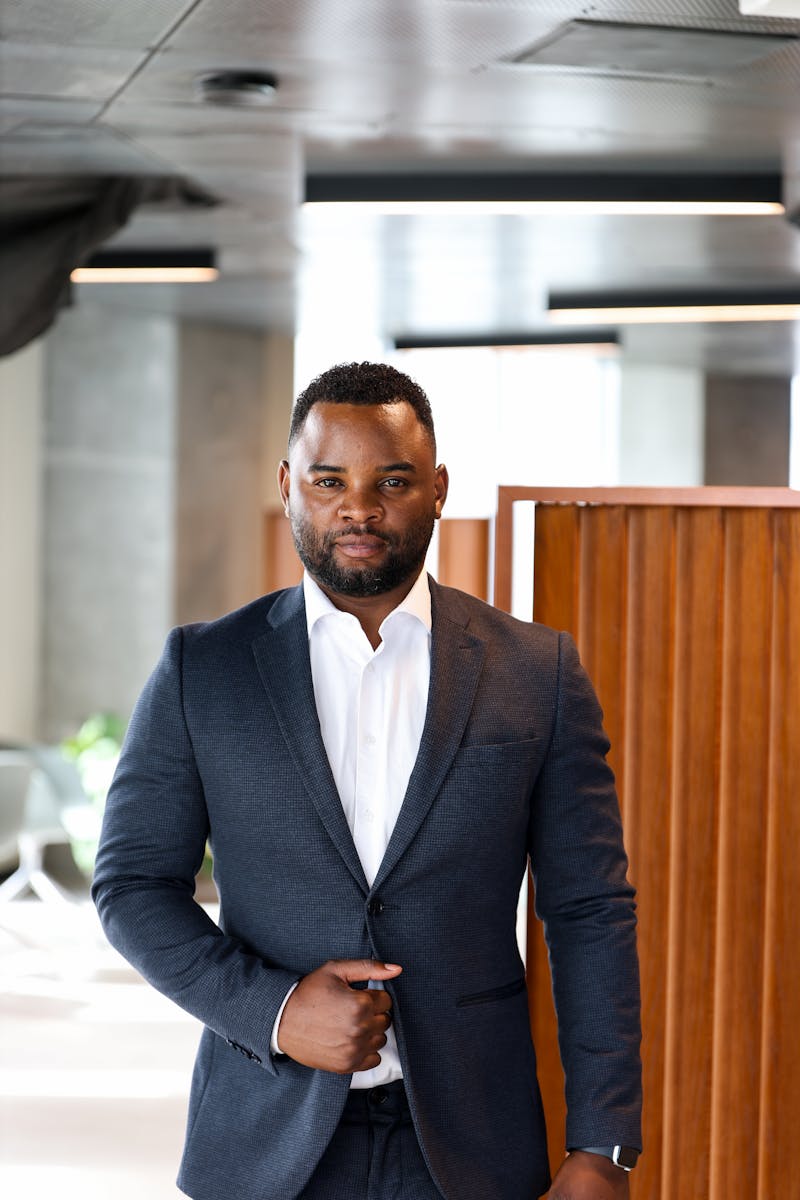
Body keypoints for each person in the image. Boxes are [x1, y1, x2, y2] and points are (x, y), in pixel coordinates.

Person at [92, 361, 641, 1200]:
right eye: (329, 480)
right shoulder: (202, 671)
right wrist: (273, 1011)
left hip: (473, 1145)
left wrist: (603, 1144)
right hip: (263, 1135)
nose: (359, 506)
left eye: (392, 480)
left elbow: (589, 910)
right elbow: (132, 886)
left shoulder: (538, 672)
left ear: (438, 488)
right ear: (288, 487)